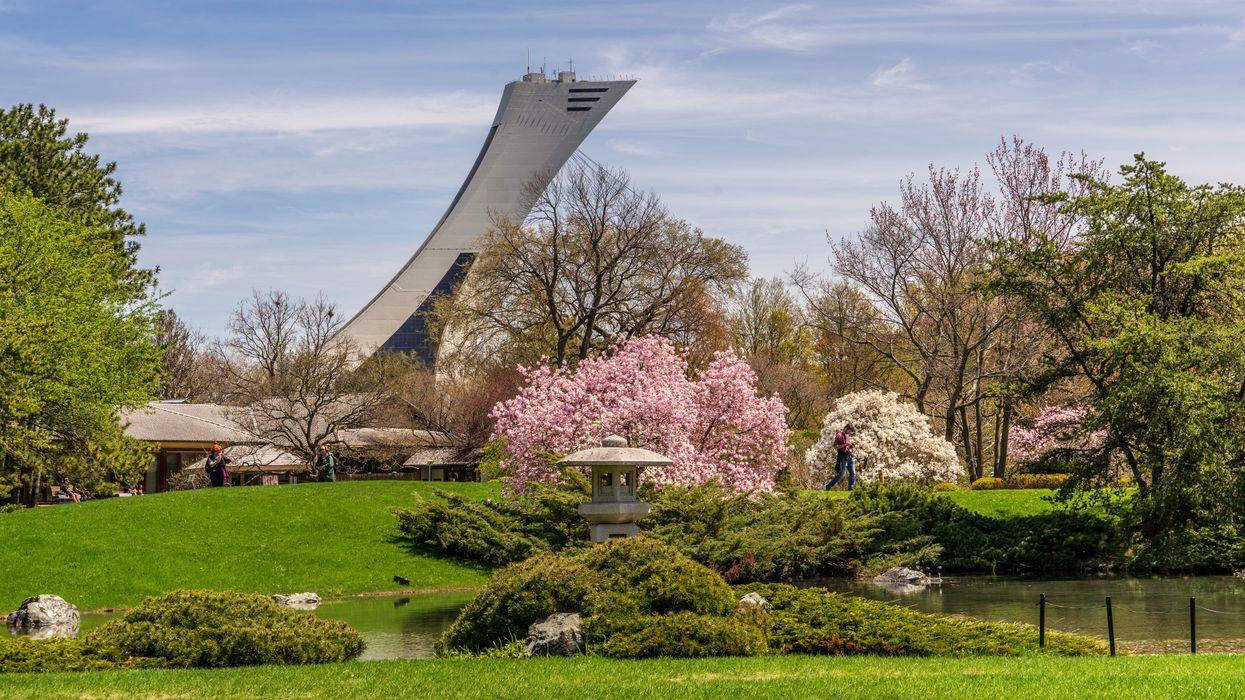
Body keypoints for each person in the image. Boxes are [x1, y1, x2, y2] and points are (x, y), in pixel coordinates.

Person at [823, 423, 856, 491]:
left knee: (853, 473)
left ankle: (851, 488)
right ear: (846, 428)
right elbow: (835, 446)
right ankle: (828, 487)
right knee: (841, 474)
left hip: (848, 456)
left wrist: (850, 446)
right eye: (849, 431)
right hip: (842, 457)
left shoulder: (847, 435)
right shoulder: (839, 435)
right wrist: (845, 444)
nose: (849, 433)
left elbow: (846, 446)